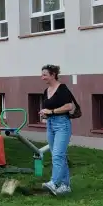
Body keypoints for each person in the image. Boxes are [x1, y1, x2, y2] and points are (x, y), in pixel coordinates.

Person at [39, 64, 76, 196]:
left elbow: (69, 106)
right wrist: (44, 113)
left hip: (62, 125)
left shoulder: (62, 89)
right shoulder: (46, 91)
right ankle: (65, 186)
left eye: (45, 75)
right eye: (42, 74)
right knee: (60, 155)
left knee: (58, 155)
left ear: (53, 75)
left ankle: (54, 183)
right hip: (50, 125)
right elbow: (48, 108)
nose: (42, 77)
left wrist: (52, 111)